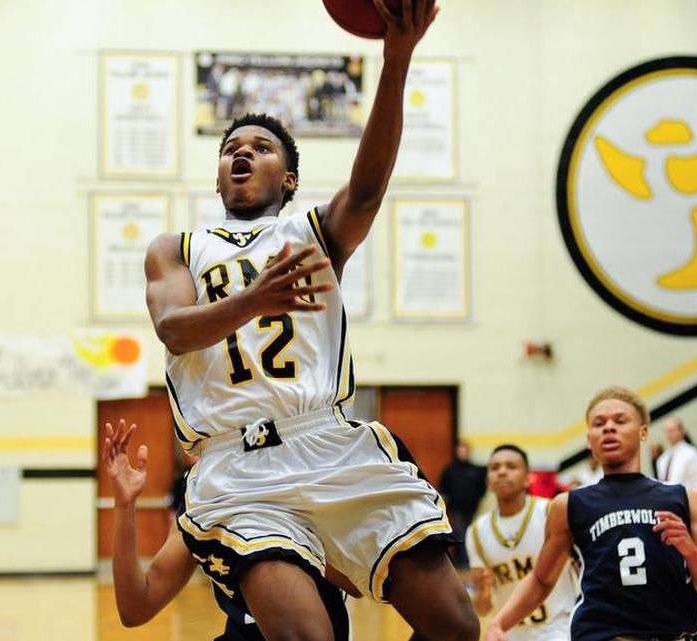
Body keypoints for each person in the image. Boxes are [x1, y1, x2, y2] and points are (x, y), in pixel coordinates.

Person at [142, 2, 479, 640]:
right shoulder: (176, 247)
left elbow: (370, 188)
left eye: (260, 147)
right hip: (236, 467)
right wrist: (252, 301)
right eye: (230, 149)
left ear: (289, 177)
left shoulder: (311, 234)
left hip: (327, 441)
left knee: (457, 626)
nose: (241, 155)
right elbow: (174, 329)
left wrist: (397, 58)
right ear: (218, 178)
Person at [484, 386, 697, 641]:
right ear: (589, 439)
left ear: (643, 432)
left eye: (620, 421)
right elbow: (542, 580)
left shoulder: (685, 498)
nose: (609, 428)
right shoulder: (568, 505)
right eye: (599, 424)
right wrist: (499, 624)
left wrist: (690, 550)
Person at [102, 420, 352, 640]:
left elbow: (356, 584)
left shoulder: (309, 477)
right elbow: (136, 608)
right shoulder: (203, 501)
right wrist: (125, 505)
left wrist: (277, 542)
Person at [467, 445, 576, 641]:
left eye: (511, 466)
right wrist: (482, 596)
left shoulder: (550, 512)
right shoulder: (476, 532)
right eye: (495, 467)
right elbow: (482, 609)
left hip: (560, 628)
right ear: (488, 481)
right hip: (510, 634)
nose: (501, 472)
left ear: (528, 478)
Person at [440, 440, 487, 567]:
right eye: (460, 451)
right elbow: (443, 488)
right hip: (456, 508)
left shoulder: (475, 470)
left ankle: (466, 562)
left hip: (471, 507)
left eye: (465, 451)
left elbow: (482, 487)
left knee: (469, 534)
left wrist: (477, 499)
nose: (463, 453)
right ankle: (463, 562)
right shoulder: (450, 470)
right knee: (462, 534)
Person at [654, 418, 697, 493]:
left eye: (672, 430)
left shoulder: (692, 454)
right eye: (667, 431)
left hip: (686, 500)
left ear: (681, 431)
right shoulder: (663, 459)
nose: (670, 434)